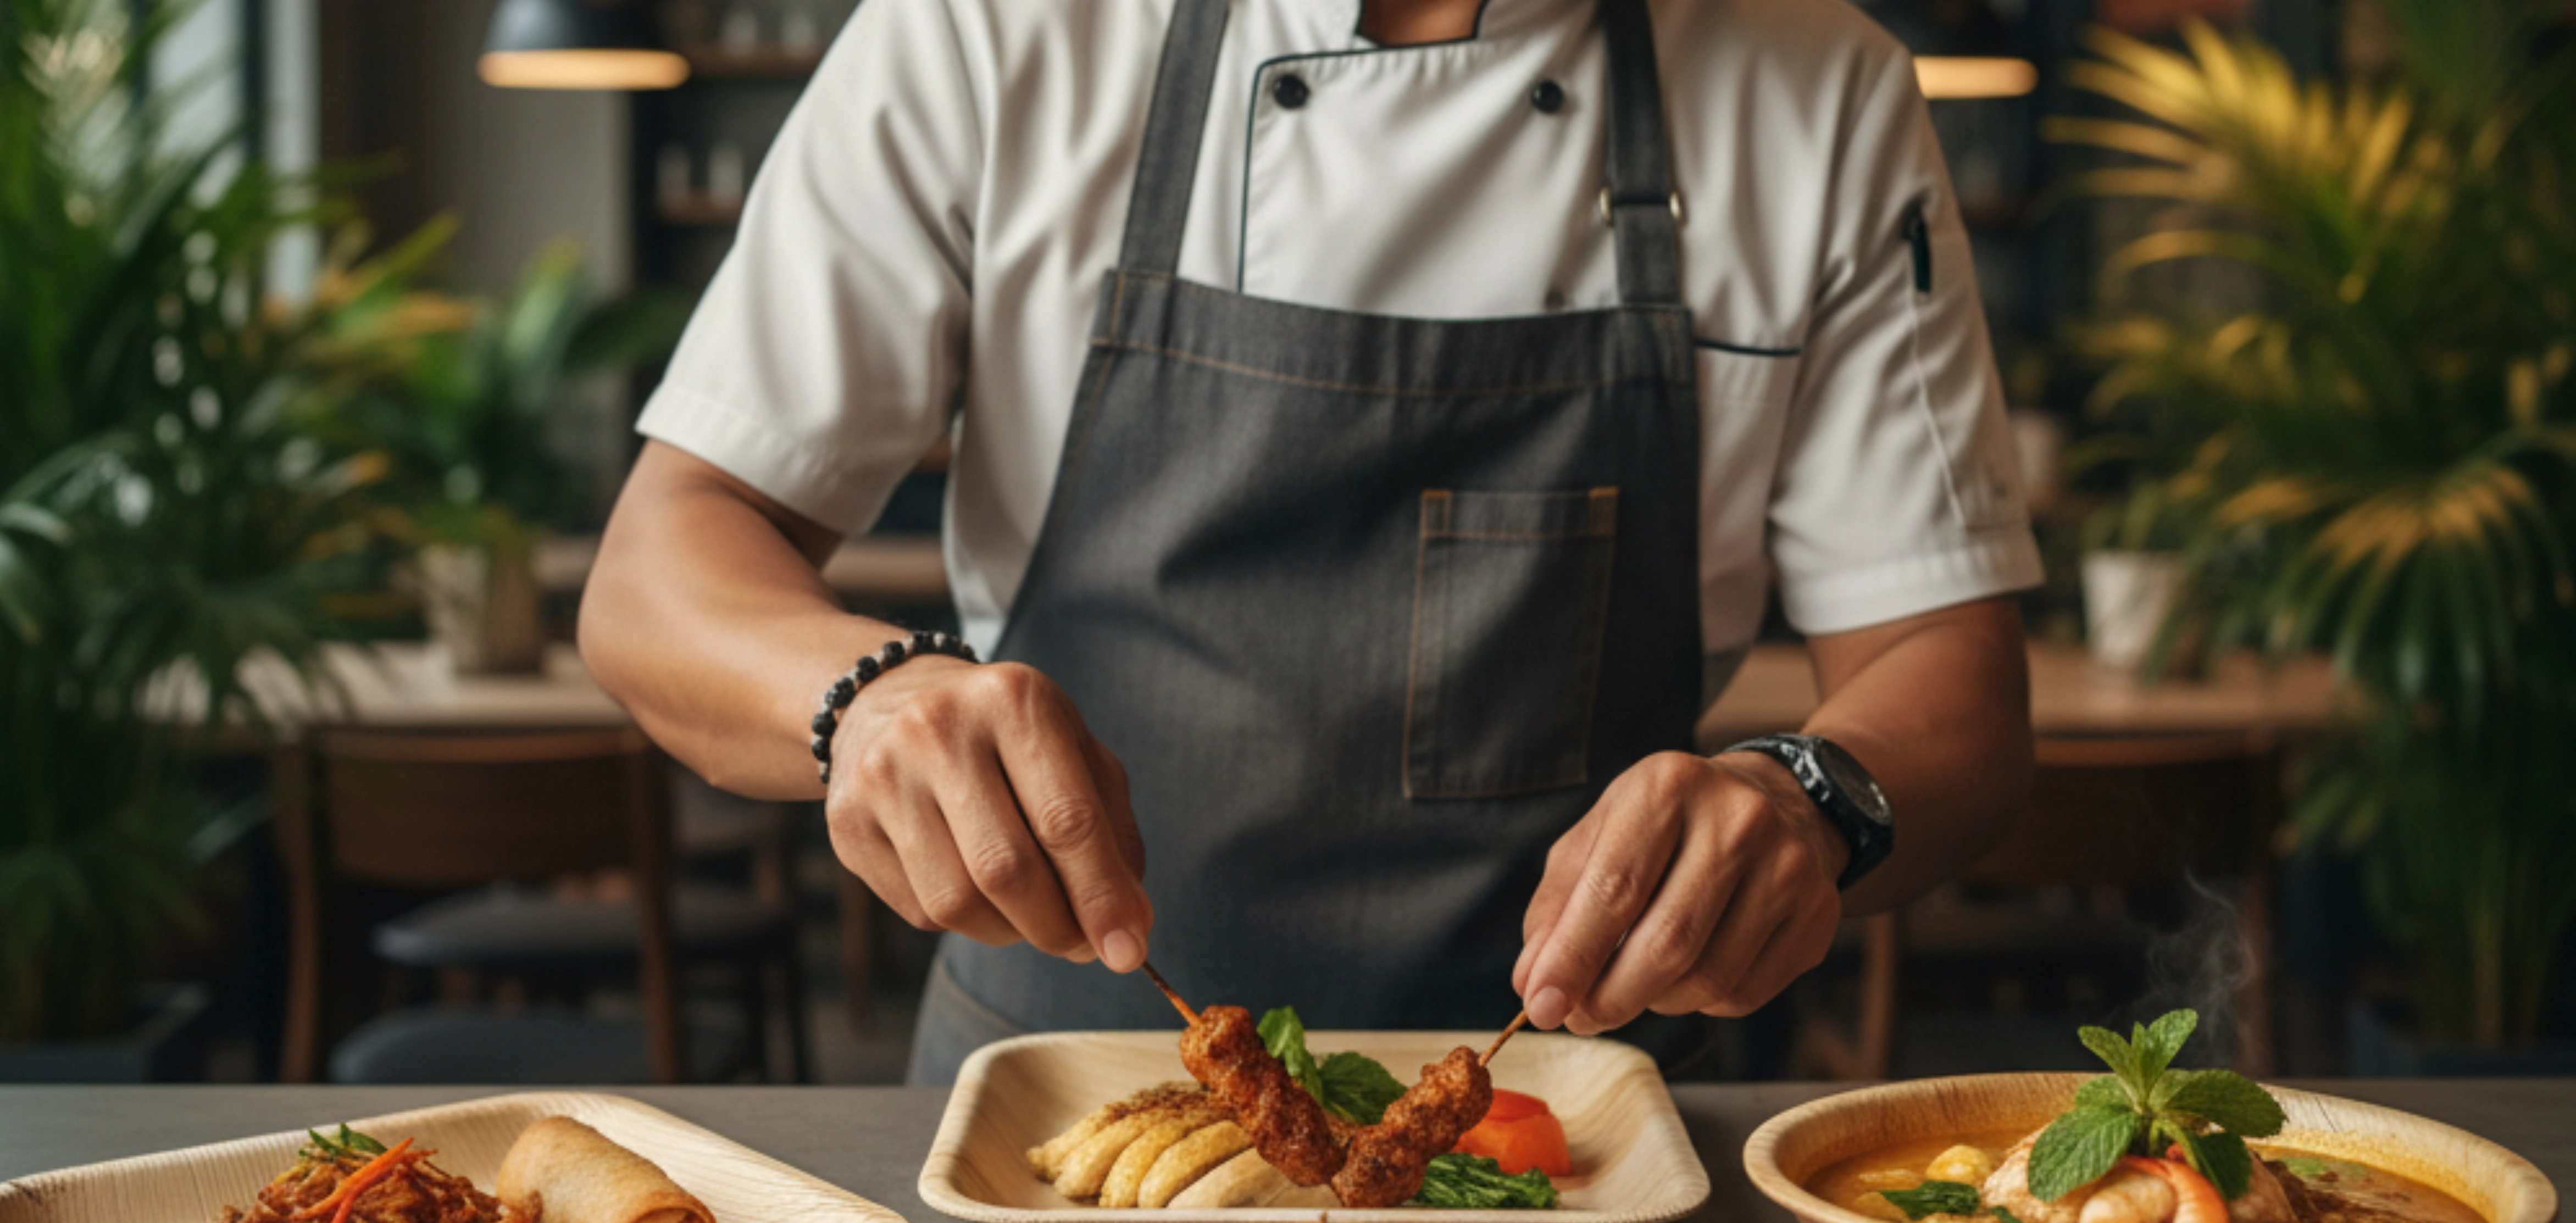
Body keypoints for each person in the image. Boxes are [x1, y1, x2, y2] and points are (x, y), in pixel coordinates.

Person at [579, 0, 2039, 1083]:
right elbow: (663, 566)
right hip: (1069, 1113)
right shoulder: (988, 29)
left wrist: (1804, 803)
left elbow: (1951, 671)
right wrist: (866, 698)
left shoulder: (1821, 87)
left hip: (1591, 1128)